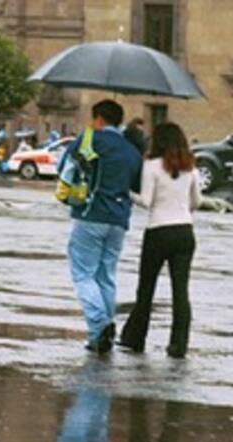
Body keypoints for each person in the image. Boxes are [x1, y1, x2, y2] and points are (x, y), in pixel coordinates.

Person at [118, 123, 202, 358]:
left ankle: (135, 337)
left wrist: (127, 194)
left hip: (158, 230)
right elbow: (197, 201)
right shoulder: (190, 168)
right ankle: (178, 344)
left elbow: (146, 200)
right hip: (185, 230)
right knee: (180, 290)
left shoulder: (152, 166)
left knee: (146, 288)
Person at [65, 99, 143, 353]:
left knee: (83, 274)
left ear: (98, 118)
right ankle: (104, 330)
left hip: (90, 214)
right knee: (106, 276)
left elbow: (64, 168)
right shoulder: (131, 150)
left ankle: (99, 326)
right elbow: (137, 185)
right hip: (119, 221)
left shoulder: (90, 140)